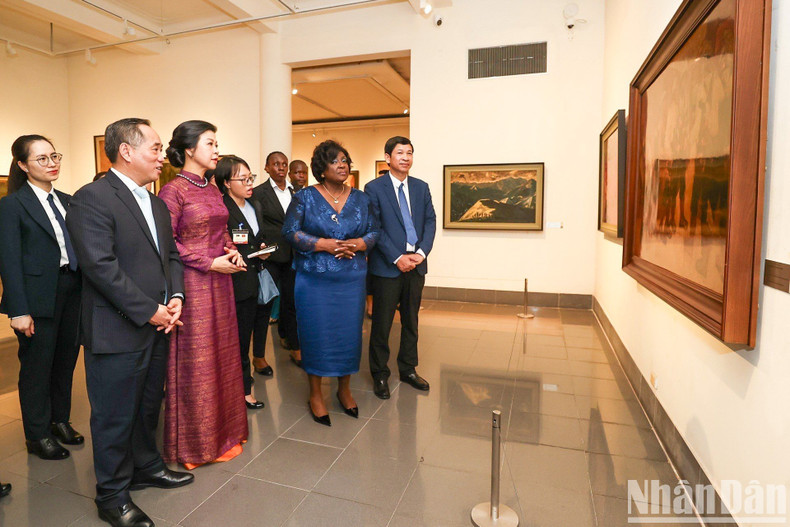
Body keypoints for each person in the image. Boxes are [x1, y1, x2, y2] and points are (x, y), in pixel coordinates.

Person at [66, 118, 193, 527]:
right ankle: (113, 496)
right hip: (117, 328)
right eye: (155, 148)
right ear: (126, 151)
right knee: (114, 415)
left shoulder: (153, 201)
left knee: (146, 406)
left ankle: (146, 466)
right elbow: (100, 267)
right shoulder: (92, 198)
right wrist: (148, 309)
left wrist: (174, 297)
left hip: (158, 322)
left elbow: (170, 257)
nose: (162, 156)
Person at [158, 120, 248, 468]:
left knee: (223, 356)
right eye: (210, 143)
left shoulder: (212, 188)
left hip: (221, 283)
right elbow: (168, 244)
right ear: (189, 149)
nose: (216, 150)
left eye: (216, 143)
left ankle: (225, 433)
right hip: (193, 285)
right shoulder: (173, 191)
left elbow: (222, 229)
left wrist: (230, 251)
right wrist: (210, 263)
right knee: (197, 362)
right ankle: (195, 444)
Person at [283, 140, 378, 426]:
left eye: (345, 160)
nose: (343, 165)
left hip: (351, 279)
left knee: (348, 336)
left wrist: (360, 243)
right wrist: (321, 244)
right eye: (335, 161)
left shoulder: (361, 198)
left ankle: (344, 390)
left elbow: (374, 231)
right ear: (321, 169)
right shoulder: (305, 198)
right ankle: (315, 393)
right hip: (314, 280)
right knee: (316, 335)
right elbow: (290, 232)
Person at [0, 135, 83, 462]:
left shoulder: (67, 200)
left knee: (65, 361)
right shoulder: (12, 205)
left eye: (55, 156)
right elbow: (9, 260)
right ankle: (37, 434)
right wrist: (19, 310)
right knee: (37, 367)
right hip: (37, 297)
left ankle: (59, 420)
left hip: (72, 289)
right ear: (22, 165)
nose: (52, 164)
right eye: (42, 159)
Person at [365, 136, 436, 399]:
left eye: (409, 153)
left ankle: (408, 369)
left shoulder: (421, 187)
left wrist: (420, 253)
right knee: (382, 324)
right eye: (400, 153)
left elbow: (430, 221)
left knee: (411, 321)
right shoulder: (374, 188)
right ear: (387, 157)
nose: (405, 157)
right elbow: (375, 228)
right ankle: (380, 374)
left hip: (416, 265)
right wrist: (397, 257)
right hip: (388, 266)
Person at [214, 155, 272, 407]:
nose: (250, 184)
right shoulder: (221, 209)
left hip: (255, 276)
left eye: (251, 178)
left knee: (249, 334)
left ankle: (242, 383)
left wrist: (262, 248)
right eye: (244, 179)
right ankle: (243, 390)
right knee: (236, 339)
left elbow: (252, 238)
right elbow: (221, 246)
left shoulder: (255, 205)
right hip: (233, 282)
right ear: (227, 182)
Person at [252, 151, 301, 365]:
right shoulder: (258, 193)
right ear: (267, 168)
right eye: (276, 164)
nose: (280, 168)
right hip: (270, 256)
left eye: (284, 164)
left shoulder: (296, 191)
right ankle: (259, 356)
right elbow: (256, 224)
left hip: (292, 255)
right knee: (264, 306)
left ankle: (293, 344)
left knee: (291, 302)